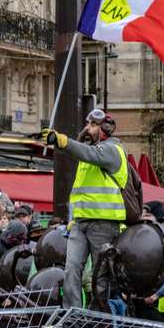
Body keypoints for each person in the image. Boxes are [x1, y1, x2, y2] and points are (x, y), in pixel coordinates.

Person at [42, 108, 128, 309]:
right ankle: (72, 311)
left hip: (104, 223)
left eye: (93, 125)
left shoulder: (112, 149)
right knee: (71, 268)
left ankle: (99, 314)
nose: (88, 128)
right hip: (80, 223)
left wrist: (62, 141)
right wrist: (74, 218)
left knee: (100, 275)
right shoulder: (89, 156)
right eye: (87, 124)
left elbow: (87, 152)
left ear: (105, 128)